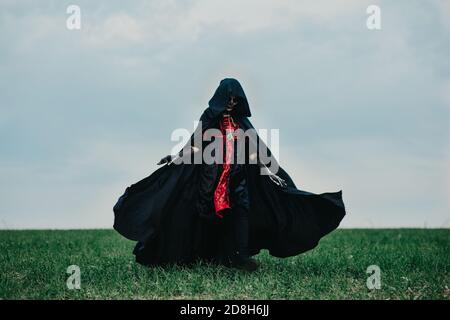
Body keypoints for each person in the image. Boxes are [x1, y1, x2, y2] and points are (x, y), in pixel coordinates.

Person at [113, 78, 346, 272]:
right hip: (210, 178)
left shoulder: (240, 122)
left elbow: (254, 151)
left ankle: (239, 258)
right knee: (207, 216)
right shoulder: (209, 117)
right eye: (229, 99)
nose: (231, 103)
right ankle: (205, 256)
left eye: (235, 100)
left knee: (241, 213)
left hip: (238, 177)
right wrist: (175, 157)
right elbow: (196, 144)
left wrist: (268, 172)